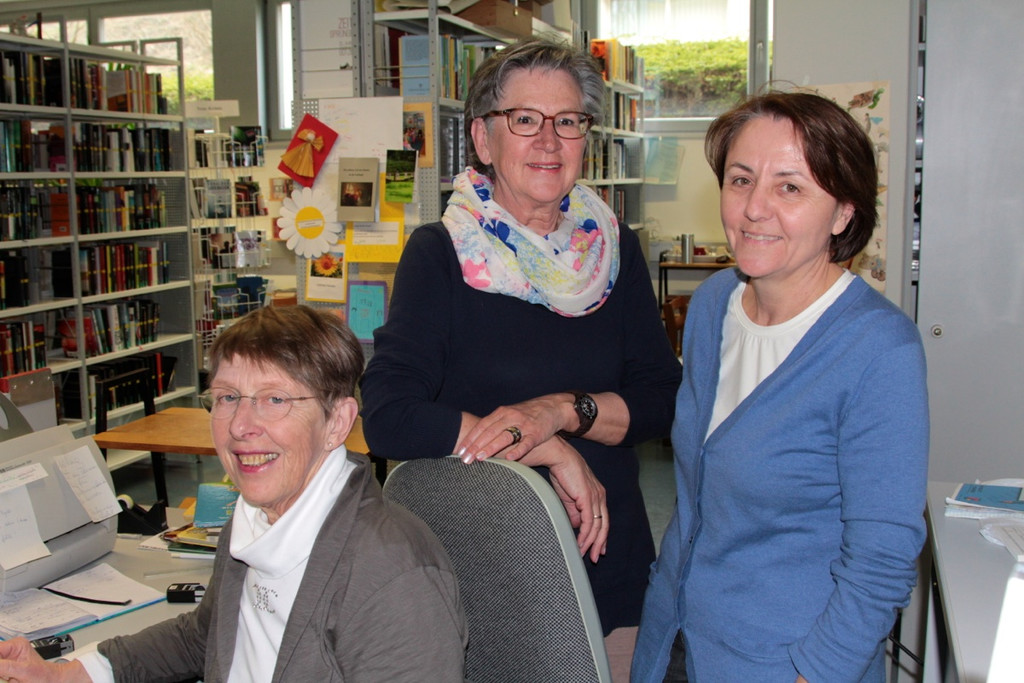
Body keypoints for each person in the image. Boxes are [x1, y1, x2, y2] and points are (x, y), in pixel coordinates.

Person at [359, 36, 681, 648]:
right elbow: (390, 417)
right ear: (484, 140)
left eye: (568, 121)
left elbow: (662, 398)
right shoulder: (442, 254)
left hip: (606, 554)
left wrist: (562, 413)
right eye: (525, 120)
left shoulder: (614, 248)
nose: (549, 141)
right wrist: (545, 448)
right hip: (487, 570)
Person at [0, 305, 467, 683]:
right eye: (227, 397)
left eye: (275, 399)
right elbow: (207, 635)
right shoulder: (254, 519)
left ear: (337, 422)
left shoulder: (393, 576)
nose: (241, 426)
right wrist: (70, 673)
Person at [631, 91, 929, 681]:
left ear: (843, 213)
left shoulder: (879, 350)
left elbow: (881, 560)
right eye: (741, 180)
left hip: (790, 661)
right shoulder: (713, 305)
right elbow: (696, 496)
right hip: (675, 638)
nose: (754, 209)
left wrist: (815, 673)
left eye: (790, 187)